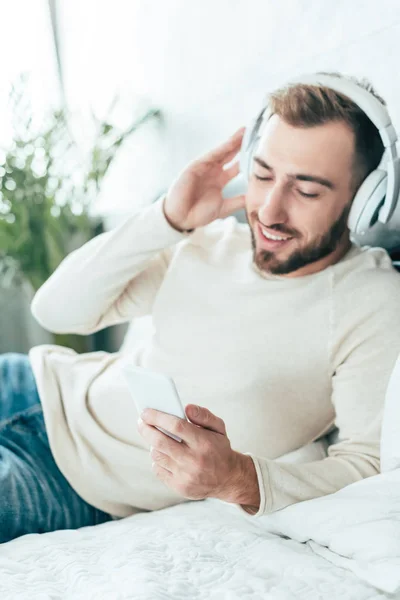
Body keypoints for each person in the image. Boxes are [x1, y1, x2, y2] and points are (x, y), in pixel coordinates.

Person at [2, 71, 400, 544]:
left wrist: (240, 478)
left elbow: (369, 465)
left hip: (69, 481)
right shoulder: (207, 242)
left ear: (365, 202)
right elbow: (57, 311)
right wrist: (166, 218)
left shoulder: (371, 300)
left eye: (307, 191)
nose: (269, 211)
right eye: (263, 174)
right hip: (30, 384)